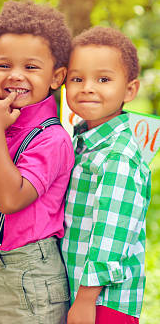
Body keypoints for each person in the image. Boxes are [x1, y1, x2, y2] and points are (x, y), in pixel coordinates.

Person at [0, 0, 74, 323]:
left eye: (31, 67)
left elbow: (11, 199)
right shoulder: (11, 129)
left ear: (57, 77)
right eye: (4, 66)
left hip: (28, 276)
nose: (15, 76)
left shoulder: (52, 139)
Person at [62, 27, 151, 324]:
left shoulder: (117, 156)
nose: (87, 87)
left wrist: (86, 300)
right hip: (79, 291)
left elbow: (111, 234)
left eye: (103, 79)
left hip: (104, 302)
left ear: (130, 90)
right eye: (77, 79)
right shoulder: (82, 143)